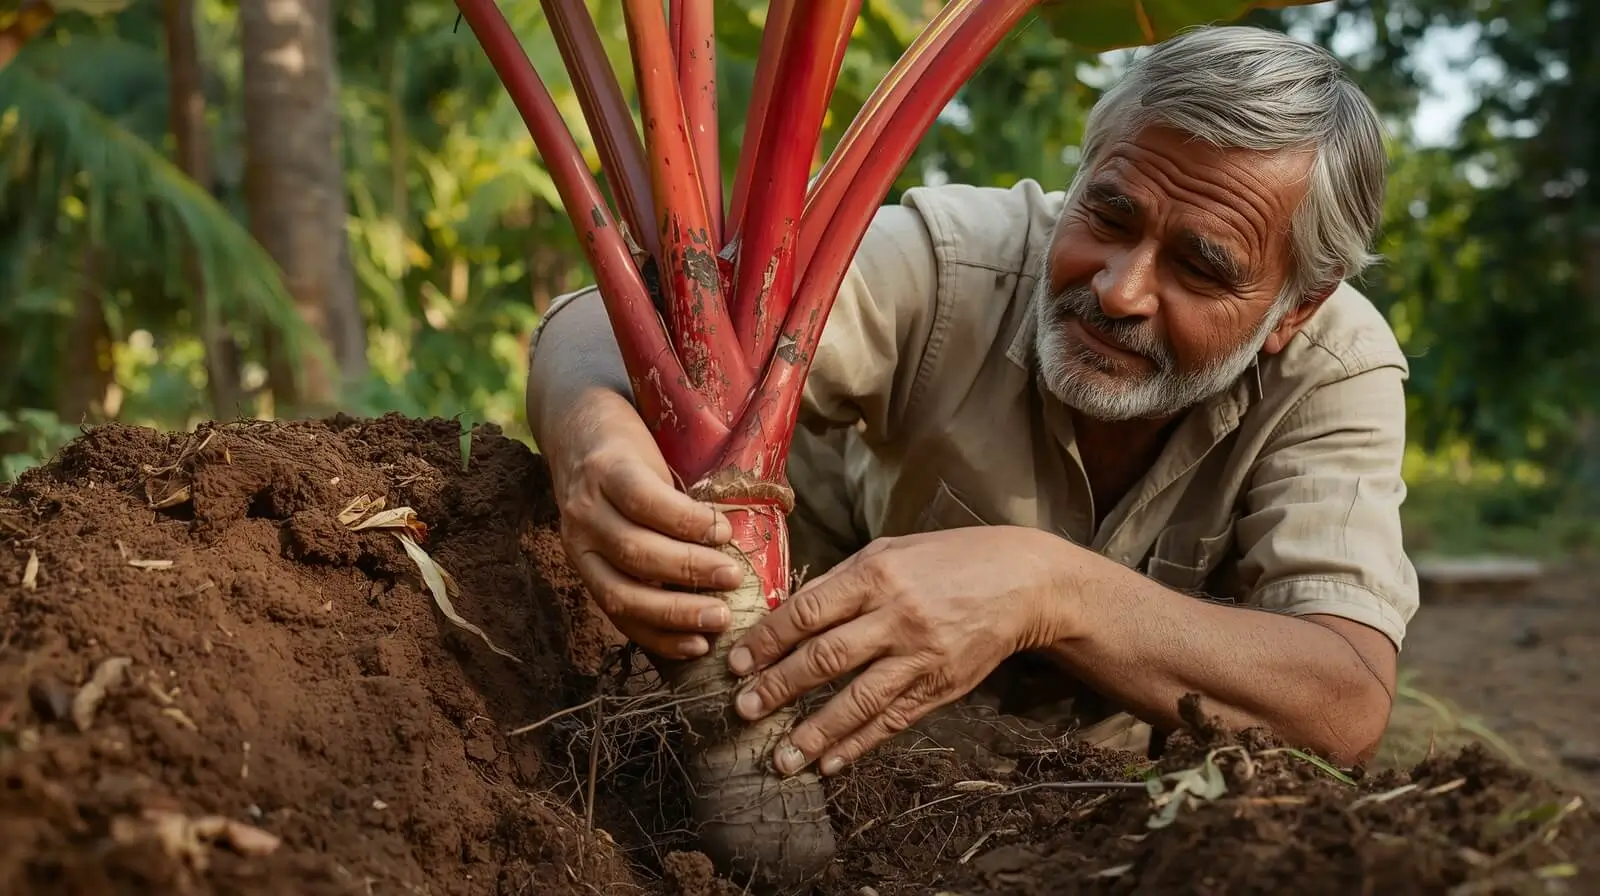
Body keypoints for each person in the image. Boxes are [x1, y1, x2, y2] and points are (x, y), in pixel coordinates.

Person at [525, 25, 1417, 779]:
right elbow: (604, 324)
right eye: (1109, 217)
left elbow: (1345, 696)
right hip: (808, 722)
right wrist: (592, 436)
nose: (1120, 290)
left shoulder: (1335, 371)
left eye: (1199, 267)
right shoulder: (958, 263)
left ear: (1294, 310)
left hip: (1073, 796)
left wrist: (1048, 588)